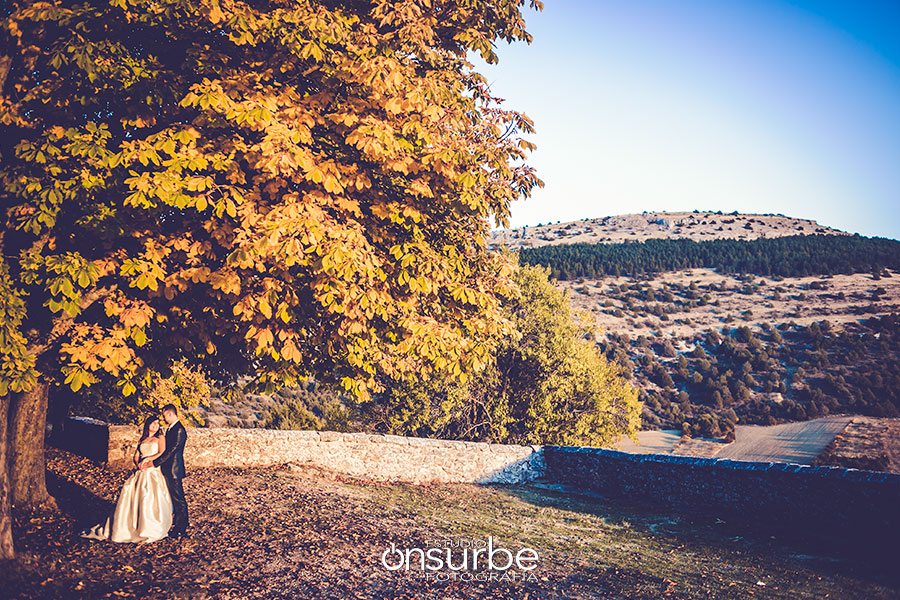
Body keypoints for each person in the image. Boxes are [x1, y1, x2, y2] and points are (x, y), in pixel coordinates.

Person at [81, 416, 173, 543]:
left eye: (157, 424)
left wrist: (148, 459)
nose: (155, 426)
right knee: (133, 496)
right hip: (141, 469)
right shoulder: (143, 439)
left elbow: (162, 452)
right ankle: (131, 524)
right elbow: (136, 455)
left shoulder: (160, 438)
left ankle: (149, 527)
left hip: (152, 470)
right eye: (153, 423)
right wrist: (138, 463)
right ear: (148, 425)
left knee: (149, 497)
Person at [141, 403, 189, 538]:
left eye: (164, 415)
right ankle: (175, 525)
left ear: (169, 413)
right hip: (168, 469)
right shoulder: (171, 429)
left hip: (174, 469)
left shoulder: (179, 430)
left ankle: (181, 529)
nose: (164, 418)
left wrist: (154, 463)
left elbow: (171, 451)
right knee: (173, 498)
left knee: (178, 499)